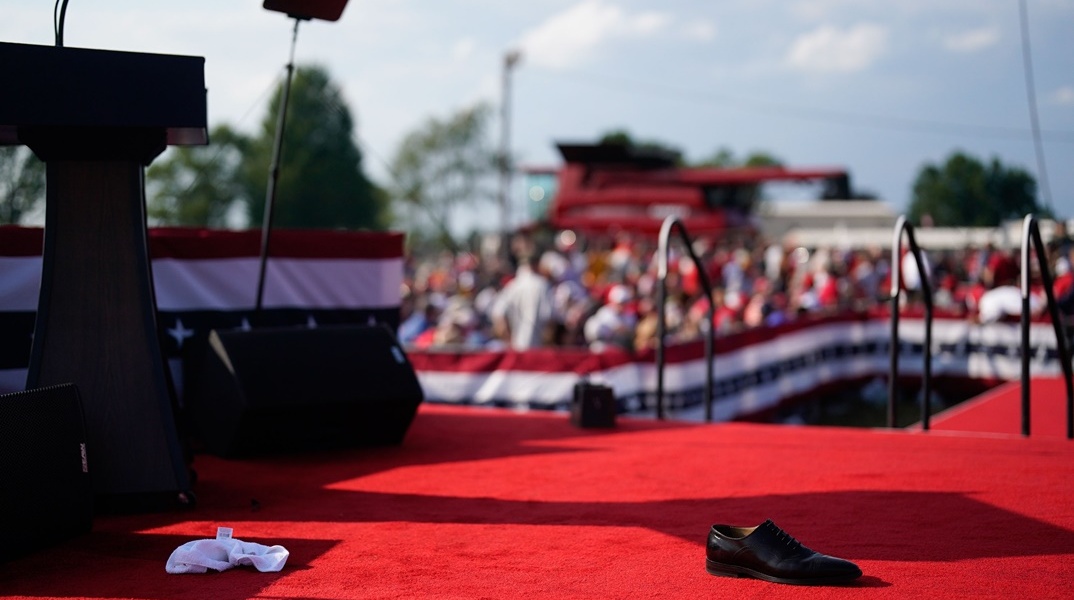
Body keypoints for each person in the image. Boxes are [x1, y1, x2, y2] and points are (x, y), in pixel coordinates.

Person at [488, 252, 554, 350]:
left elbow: (497, 315)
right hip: (537, 350)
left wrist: (509, 340)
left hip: (517, 350)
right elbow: (549, 318)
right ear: (537, 264)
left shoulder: (513, 286)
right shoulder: (543, 285)